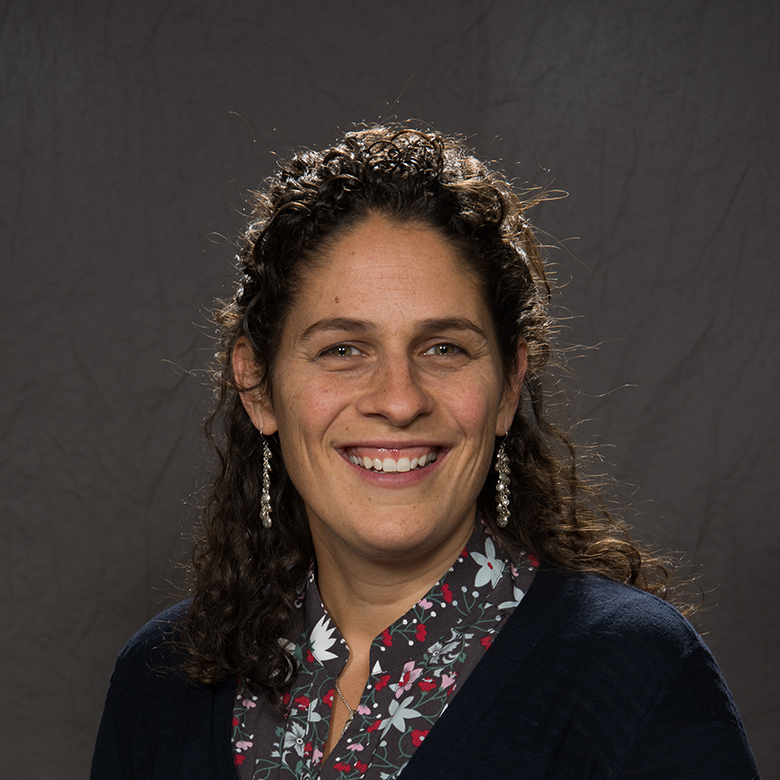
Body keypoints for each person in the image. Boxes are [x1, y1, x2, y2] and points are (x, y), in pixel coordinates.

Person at [91, 125, 760, 779]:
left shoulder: (633, 671)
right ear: (258, 386)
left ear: (506, 388)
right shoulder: (161, 682)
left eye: (444, 348)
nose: (400, 399)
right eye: (342, 349)